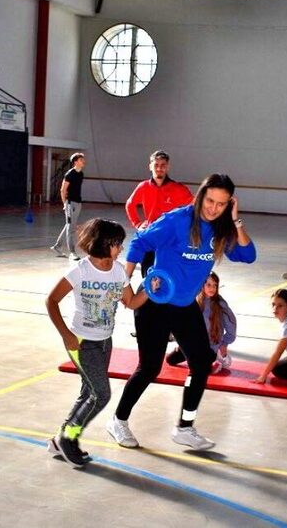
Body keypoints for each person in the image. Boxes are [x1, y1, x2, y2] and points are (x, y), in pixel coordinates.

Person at [107, 174, 256, 451]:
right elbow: (140, 242)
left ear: (229, 205)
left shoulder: (222, 230)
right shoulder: (178, 220)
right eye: (210, 200)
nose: (213, 208)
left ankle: (185, 428)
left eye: (222, 204)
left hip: (185, 305)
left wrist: (235, 221)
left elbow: (248, 256)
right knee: (150, 368)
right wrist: (123, 283)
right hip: (155, 301)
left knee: (202, 362)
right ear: (201, 196)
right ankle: (118, 420)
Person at [44, 218, 148, 468]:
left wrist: (151, 289)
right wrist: (65, 334)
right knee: (101, 394)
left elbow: (131, 302)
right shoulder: (81, 270)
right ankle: (68, 439)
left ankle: (61, 440)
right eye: (118, 243)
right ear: (105, 243)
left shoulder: (119, 270)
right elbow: (51, 301)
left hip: (104, 342)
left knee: (88, 392)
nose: (121, 248)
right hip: (81, 342)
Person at [124, 150, 193, 275]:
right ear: (150, 166)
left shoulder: (178, 189)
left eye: (163, 165)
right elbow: (130, 204)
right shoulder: (143, 187)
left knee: (169, 274)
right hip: (151, 236)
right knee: (148, 274)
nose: (159, 168)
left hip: (171, 240)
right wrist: (137, 224)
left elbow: (194, 207)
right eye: (156, 165)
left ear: (167, 167)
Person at [166, 272, 235, 374]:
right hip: (193, 344)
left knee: (198, 369)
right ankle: (204, 362)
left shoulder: (220, 304)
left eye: (215, 285)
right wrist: (181, 343)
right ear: (201, 285)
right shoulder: (194, 300)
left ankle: (216, 359)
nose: (212, 288)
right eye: (209, 285)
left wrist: (224, 344)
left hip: (209, 348)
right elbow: (183, 324)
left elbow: (231, 325)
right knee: (170, 360)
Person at [51, 153, 86, 259]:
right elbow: (63, 190)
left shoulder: (81, 174)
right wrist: (65, 204)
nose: (83, 161)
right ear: (75, 162)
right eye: (81, 160)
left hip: (78, 202)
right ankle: (72, 252)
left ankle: (57, 246)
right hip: (70, 203)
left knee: (69, 225)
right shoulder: (69, 174)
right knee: (71, 228)